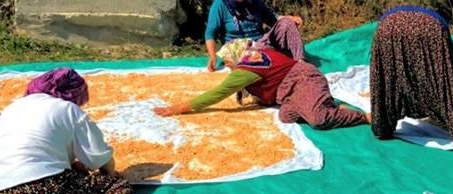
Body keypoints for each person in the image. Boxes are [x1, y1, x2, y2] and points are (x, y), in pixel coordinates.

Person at [0, 68, 156, 194]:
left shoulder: (12, 109)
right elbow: (100, 158)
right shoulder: (67, 108)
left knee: (69, 184)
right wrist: (106, 177)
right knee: (113, 184)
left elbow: (33, 155)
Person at [154, 39, 369, 130]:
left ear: (236, 57)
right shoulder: (253, 55)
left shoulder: (247, 68)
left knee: (318, 119)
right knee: (286, 116)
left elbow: (217, 93)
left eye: (227, 61)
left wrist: (178, 109)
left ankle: (364, 117)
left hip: (304, 80)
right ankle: (327, 104)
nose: (227, 65)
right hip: (290, 92)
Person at [370, 5, 453, 162]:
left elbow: (391, 75)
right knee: (445, 81)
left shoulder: (398, 12)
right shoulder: (437, 21)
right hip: (429, 29)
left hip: (388, 27)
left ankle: (382, 128)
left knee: (387, 79)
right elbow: (451, 73)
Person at [205, 0, 305, 72]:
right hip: (236, 49)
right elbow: (210, 33)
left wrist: (288, 18)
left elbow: (273, 19)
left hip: (260, 45)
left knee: (287, 23)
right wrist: (213, 56)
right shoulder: (220, 4)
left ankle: (300, 63)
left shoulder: (256, 2)